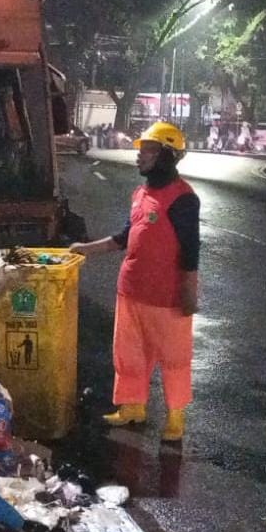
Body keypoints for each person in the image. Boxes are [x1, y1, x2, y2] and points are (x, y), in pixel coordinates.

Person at [70, 121, 200, 443]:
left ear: (167, 156)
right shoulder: (140, 194)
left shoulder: (183, 198)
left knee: (174, 358)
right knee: (128, 354)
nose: (139, 157)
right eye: (140, 151)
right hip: (130, 291)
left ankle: (175, 417)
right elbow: (125, 238)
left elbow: (191, 249)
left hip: (166, 297)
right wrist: (84, 249)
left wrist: (189, 291)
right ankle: (132, 408)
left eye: (148, 151)